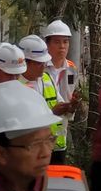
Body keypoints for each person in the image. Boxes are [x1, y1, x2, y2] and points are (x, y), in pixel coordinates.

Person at [18, 35, 72, 165]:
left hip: (55, 147)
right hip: (30, 149)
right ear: (25, 62)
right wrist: (51, 113)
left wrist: (70, 107)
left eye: (44, 62)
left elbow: (60, 104)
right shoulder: (16, 85)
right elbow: (20, 122)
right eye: (38, 63)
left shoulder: (47, 78)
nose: (43, 66)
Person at [43, 20, 81, 154]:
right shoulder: (39, 68)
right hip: (39, 129)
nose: (62, 47)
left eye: (65, 42)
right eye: (57, 42)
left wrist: (72, 106)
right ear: (47, 44)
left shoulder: (72, 68)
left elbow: (70, 96)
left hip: (61, 130)